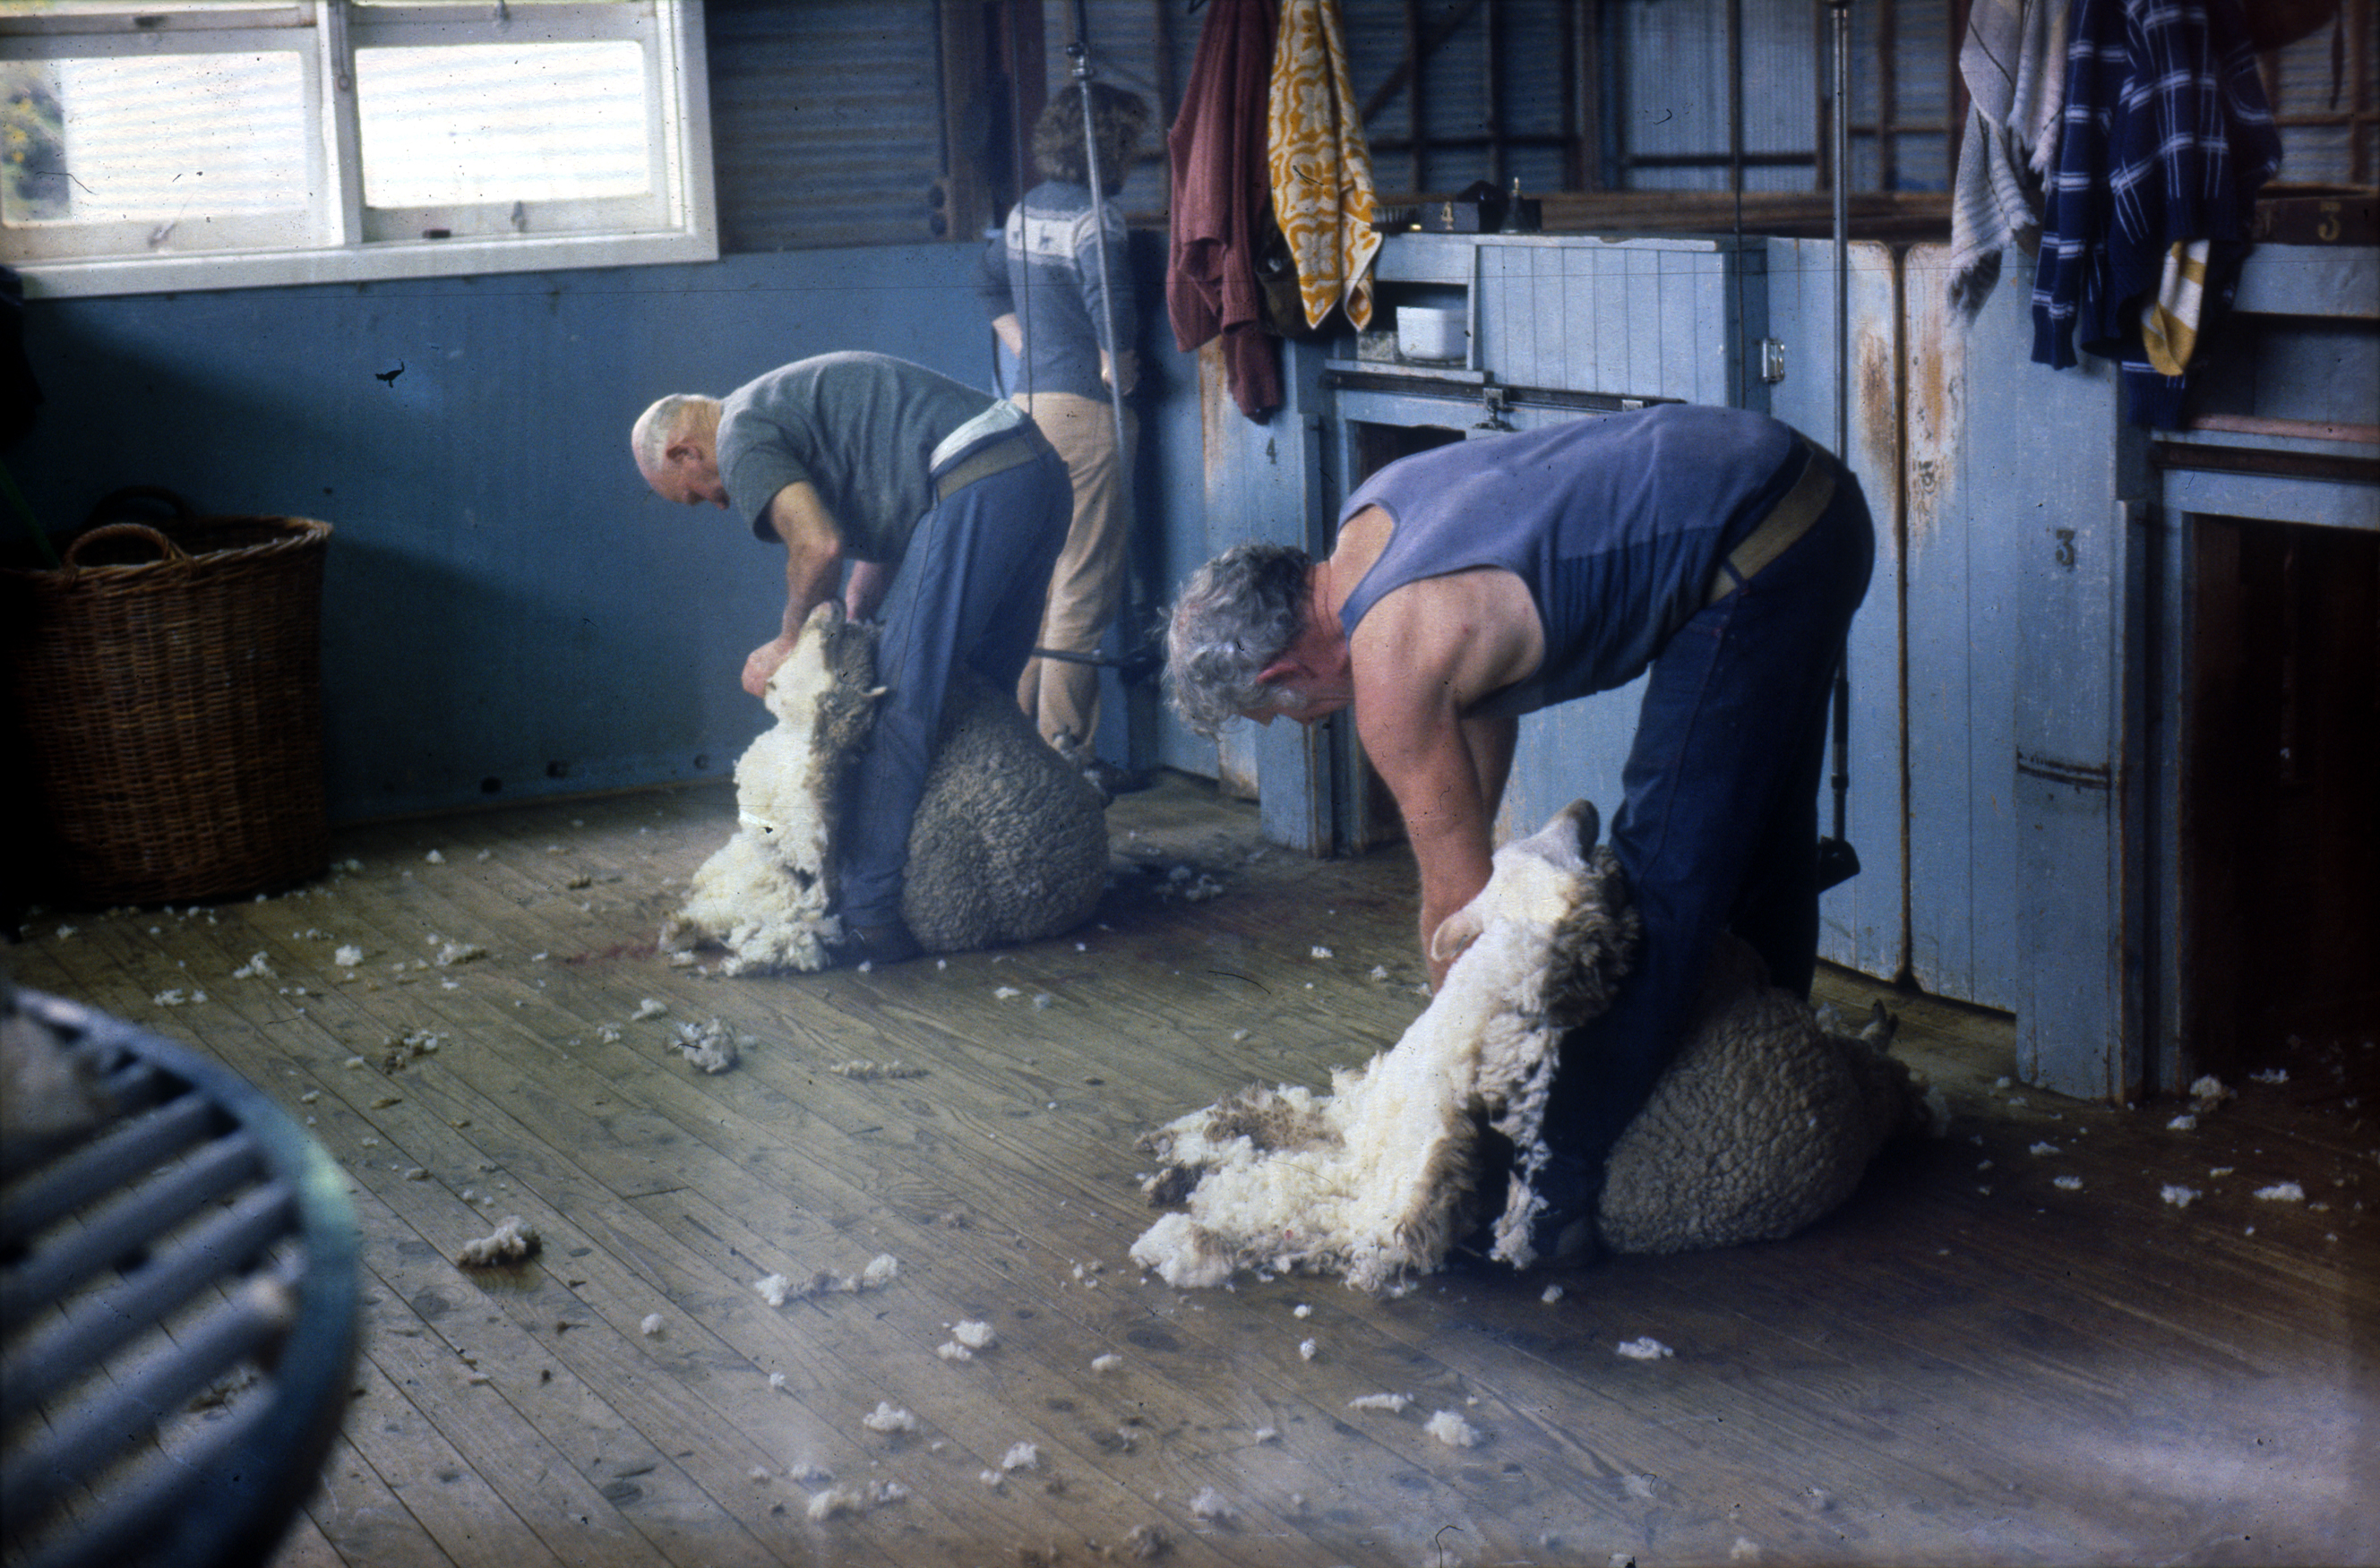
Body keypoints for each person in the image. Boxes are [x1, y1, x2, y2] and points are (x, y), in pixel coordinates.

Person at [1164, 403, 1875, 1255]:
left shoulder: (1386, 669)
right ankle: (1769, 1080)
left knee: (1664, 879)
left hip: (1760, 550)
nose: (1293, 722)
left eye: (1274, 709)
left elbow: (1456, 903)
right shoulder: (1373, 513)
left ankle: (1550, 1187)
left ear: (1283, 669)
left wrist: (1443, 1094)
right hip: (1809, 493)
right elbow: (1477, 796)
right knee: (1759, 823)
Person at [632, 350, 1071, 965]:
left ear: (685, 451)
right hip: (1035, 469)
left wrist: (789, 644)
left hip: (972, 480)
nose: (719, 503)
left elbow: (818, 546)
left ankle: (869, 913)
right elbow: (892, 518)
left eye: (696, 495)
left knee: (896, 705)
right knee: (977, 691)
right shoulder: (778, 400)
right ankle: (1010, 876)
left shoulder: (738, 435)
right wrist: (858, 614)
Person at [978, 83, 1151, 785]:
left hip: (1027, 408)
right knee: (1083, 589)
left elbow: (986, 287)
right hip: (1086, 414)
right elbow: (1112, 313)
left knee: (1044, 588)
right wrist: (1119, 364)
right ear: (1110, 147)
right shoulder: (1095, 221)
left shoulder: (1022, 214)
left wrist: (1027, 346)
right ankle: (1065, 756)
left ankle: (1020, 747)